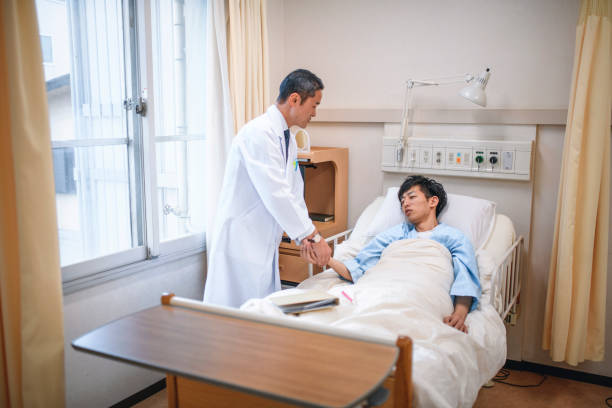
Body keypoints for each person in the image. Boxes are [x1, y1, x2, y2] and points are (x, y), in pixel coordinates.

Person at [203, 69, 332, 308]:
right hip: (241, 238)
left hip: (261, 238)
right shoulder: (258, 133)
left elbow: (293, 192)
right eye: (314, 105)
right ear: (294, 99)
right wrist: (310, 235)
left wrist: (305, 237)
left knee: (259, 310)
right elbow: (276, 193)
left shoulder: (287, 138)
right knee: (235, 313)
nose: (315, 113)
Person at [304, 175, 481, 333]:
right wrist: (328, 260)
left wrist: (460, 313)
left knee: (402, 309)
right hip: (381, 283)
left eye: (412, 197)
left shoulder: (454, 237)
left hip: (422, 288)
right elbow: (358, 269)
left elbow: (465, 277)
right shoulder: (393, 234)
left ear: (433, 201)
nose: (405, 204)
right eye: (402, 201)